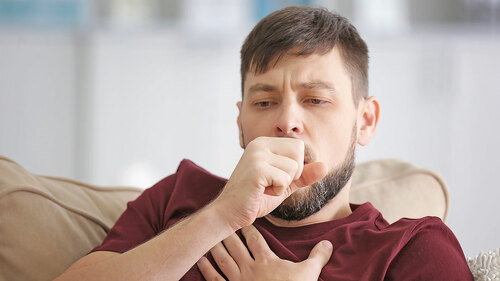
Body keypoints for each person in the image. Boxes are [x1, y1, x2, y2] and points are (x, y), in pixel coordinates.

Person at [56, 6, 473, 281]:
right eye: (265, 101)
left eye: (316, 100)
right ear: (241, 124)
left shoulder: (413, 249)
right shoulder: (177, 197)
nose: (287, 121)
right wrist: (219, 216)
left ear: (365, 122)